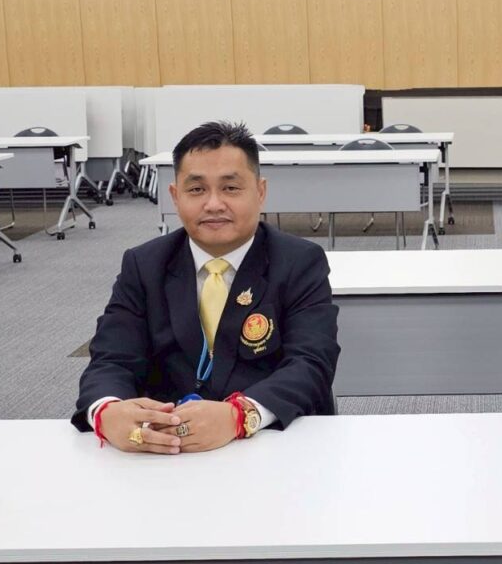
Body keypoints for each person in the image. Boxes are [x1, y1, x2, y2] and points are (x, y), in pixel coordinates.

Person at [72, 121, 339, 453]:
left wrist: (241, 416)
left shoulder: (299, 262)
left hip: (271, 446)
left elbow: (311, 363)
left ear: (260, 192)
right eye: (197, 190)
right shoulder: (144, 265)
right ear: (175, 196)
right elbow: (111, 359)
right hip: (166, 451)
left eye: (231, 188)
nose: (213, 204)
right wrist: (107, 410)